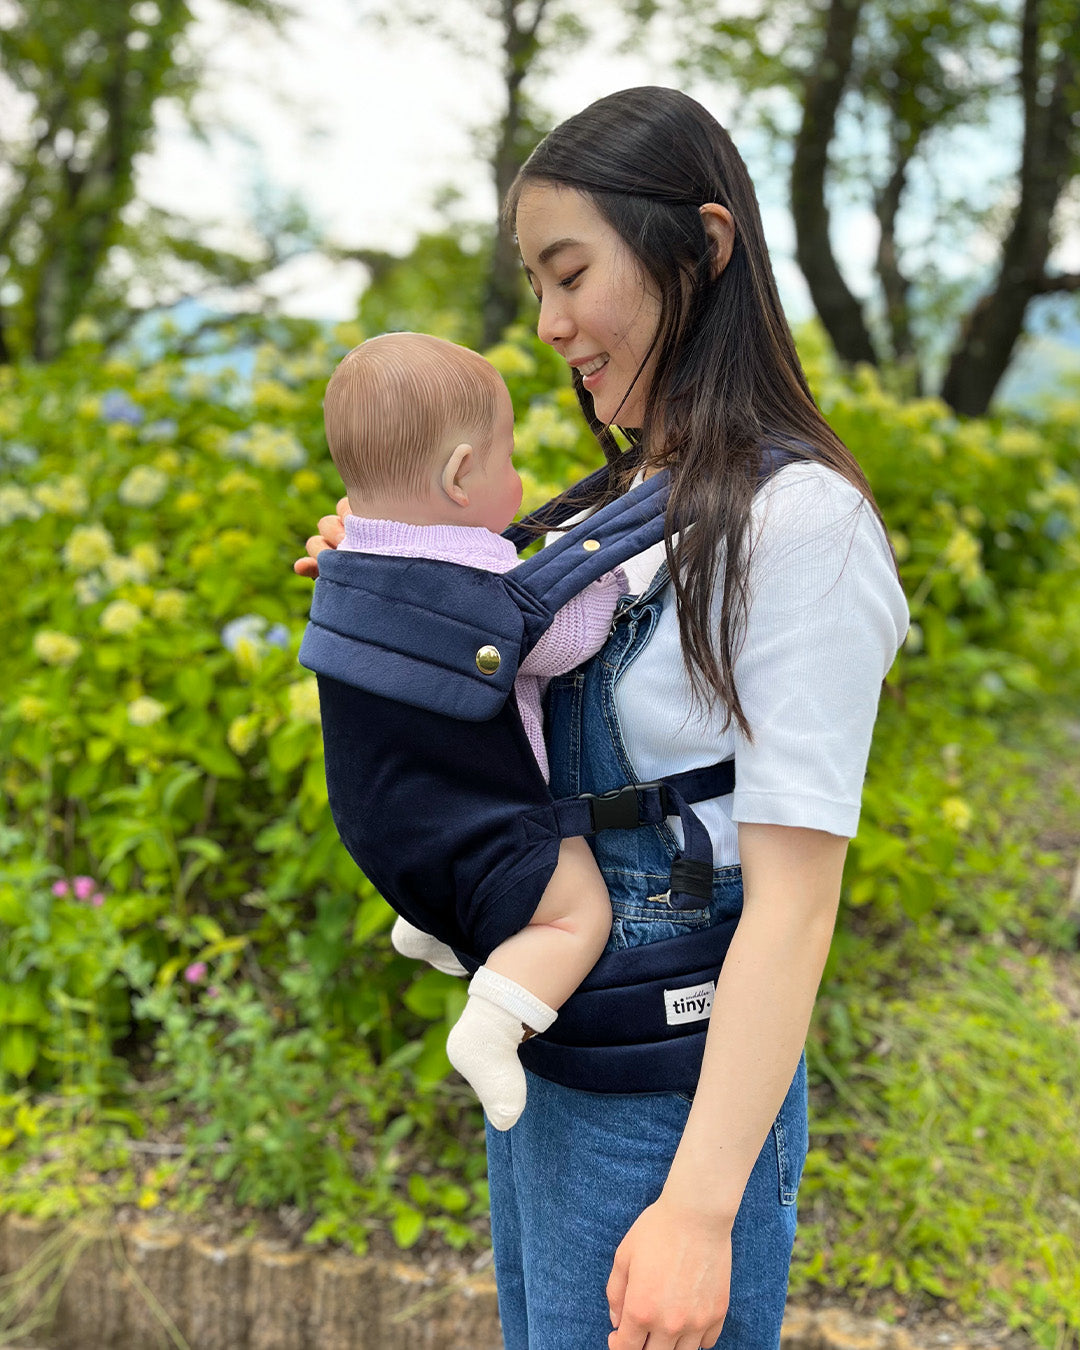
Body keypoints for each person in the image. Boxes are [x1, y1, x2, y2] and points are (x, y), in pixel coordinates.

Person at [296, 87, 908, 1350]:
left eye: (570, 272)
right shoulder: (606, 509)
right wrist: (392, 582)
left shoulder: (805, 529)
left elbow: (794, 904)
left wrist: (697, 1209)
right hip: (563, 1072)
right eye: (534, 281)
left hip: (671, 1100)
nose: (550, 323)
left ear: (705, 244)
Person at [321, 330, 626, 1131]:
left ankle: (430, 923)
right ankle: (493, 1025)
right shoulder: (473, 577)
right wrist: (613, 574)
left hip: (381, 824)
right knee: (575, 914)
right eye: (508, 459)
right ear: (461, 476)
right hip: (474, 831)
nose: (520, 481)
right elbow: (566, 639)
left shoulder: (350, 555)